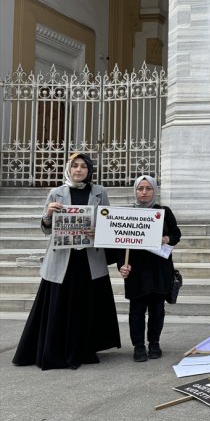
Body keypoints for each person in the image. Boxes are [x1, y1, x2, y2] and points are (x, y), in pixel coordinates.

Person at [12, 153, 121, 369]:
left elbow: (109, 226)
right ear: (69, 169)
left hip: (88, 260)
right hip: (62, 260)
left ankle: (83, 349)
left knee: (85, 304)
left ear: (89, 170)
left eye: (83, 166)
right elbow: (45, 228)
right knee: (58, 305)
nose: (79, 170)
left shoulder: (99, 192)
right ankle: (55, 349)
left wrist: (96, 231)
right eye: (75, 166)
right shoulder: (56, 193)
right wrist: (48, 215)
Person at [117, 176, 181, 362]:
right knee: (136, 310)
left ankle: (154, 343)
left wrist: (167, 239)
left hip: (160, 269)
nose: (144, 192)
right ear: (135, 191)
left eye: (148, 188)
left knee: (157, 309)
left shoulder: (164, 212)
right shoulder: (127, 215)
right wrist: (122, 265)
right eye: (140, 188)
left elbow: (176, 234)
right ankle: (138, 346)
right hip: (136, 270)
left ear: (154, 191)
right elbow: (118, 243)